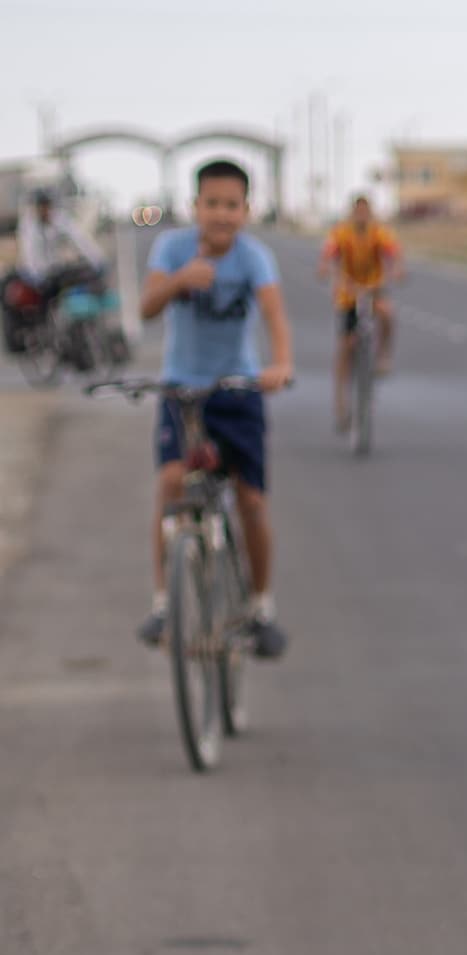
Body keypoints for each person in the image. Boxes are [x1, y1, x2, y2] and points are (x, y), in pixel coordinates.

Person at [135, 158, 293, 657]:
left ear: (246, 210)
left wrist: (281, 365)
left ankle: (261, 608)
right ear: (195, 206)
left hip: (237, 389)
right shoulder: (172, 248)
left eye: (231, 205)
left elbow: (273, 313)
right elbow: (146, 307)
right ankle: (164, 605)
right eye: (212, 204)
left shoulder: (254, 257)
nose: (221, 215)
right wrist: (180, 280)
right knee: (170, 484)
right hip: (183, 389)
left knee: (251, 500)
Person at [317, 193, 402, 430]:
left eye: (366, 211)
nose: (362, 216)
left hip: (374, 289)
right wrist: (326, 271)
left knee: (387, 313)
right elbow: (328, 256)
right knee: (345, 347)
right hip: (348, 294)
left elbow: (394, 254)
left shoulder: (379, 233)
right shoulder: (341, 233)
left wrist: (395, 272)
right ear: (353, 212)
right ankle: (341, 405)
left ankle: (383, 356)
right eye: (358, 211)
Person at [4, 188, 105, 351]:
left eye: (47, 206)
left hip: (54, 271)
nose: (45, 210)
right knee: (43, 301)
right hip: (34, 274)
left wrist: (96, 259)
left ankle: (71, 332)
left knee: (74, 283)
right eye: (41, 206)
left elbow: (79, 239)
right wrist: (39, 276)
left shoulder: (60, 220)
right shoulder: (28, 226)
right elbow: (30, 255)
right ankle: (43, 334)